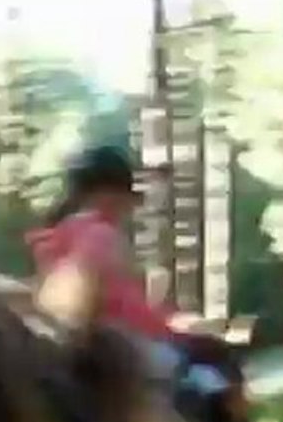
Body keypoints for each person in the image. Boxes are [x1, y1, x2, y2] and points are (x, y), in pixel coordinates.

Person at [25, 146, 230, 395]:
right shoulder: (99, 235)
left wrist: (170, 319)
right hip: (117, 350)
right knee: (214, 374)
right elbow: (121, 310)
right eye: (126, 196)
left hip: (95, 346)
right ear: (109, 194)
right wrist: (176, 327)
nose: (129, 206)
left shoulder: (54, 238)